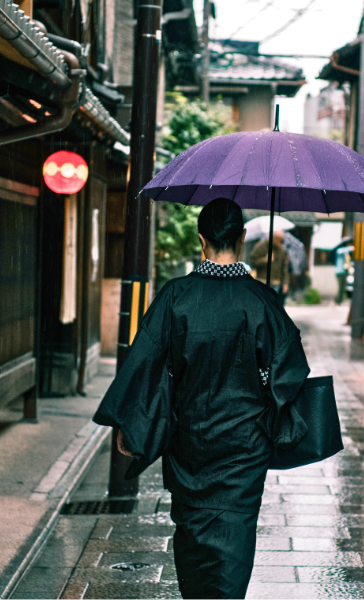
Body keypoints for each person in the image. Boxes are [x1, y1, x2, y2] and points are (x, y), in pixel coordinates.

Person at [93, 198, 310, 599]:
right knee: (237, 531)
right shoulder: (261, 299)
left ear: (201, 239)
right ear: (241, 239)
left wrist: (130, 426)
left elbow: (145, 363)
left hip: (190, 444)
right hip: (244, 449)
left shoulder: (176, 295)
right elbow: (290, 371)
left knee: (191, 534)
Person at [251, 228, 290, 304]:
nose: (280, 241)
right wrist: (265, 260)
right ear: (273, 236)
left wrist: (285, 282)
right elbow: (253, 263)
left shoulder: (282, 250)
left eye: (281, 239)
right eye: (278, 238)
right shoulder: (260, 246)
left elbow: (284, 268)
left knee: (273, 304)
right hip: (262, 281)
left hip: (276, 283)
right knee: (262, 304)